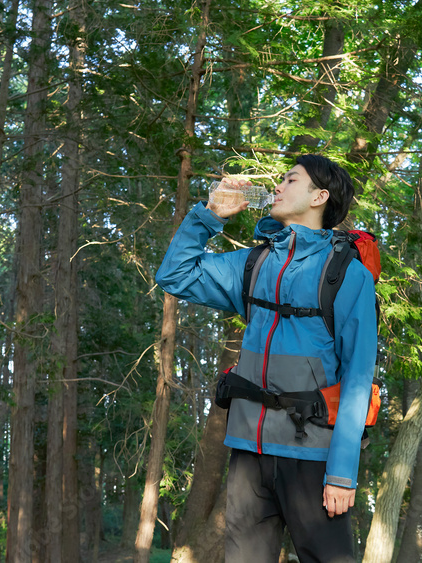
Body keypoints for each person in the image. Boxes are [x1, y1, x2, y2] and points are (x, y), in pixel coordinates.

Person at [156, 154, 378, 563]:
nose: (277, 187)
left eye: (291, 180)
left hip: (312, 456)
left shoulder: (348, 275)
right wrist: (209, 215)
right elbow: (175, 275)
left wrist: (342, 474)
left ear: (319, 197)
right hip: (248, 456)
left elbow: (359, 378)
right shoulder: (253, 263)